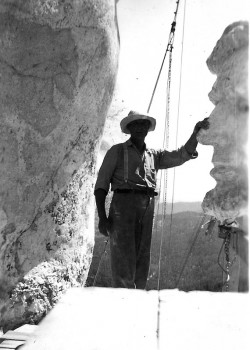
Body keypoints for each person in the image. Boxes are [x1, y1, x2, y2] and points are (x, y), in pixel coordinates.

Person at [94, 110, 209, 289]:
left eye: (144, 124)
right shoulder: (117, 151)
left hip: (147, 205)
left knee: (142, 256)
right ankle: (122, 301)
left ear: (148, 128)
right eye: (136, 124)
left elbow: (181, 155)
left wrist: (196, 134)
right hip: (123, 205)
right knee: (123, 256)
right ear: (129, 128)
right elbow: (101, 186)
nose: (140, 128)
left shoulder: (153, 155)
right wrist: (102, 217)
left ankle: (138, 299)